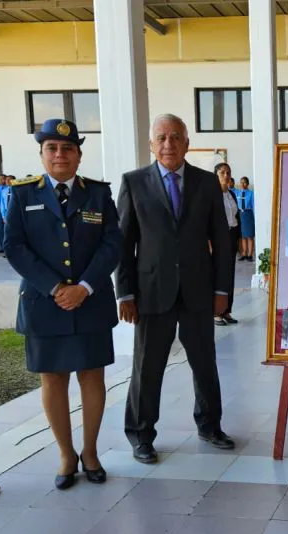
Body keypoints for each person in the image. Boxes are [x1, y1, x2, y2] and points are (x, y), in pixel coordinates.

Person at [5, 119, 121, 490]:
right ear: (41, 153)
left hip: (90, 301)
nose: (60, 154)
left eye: (68, 148)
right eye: (52, 148)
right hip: (44, 302)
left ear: (79, 155)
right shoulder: (23, 194)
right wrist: (56, 287)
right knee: (53, 379)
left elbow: (112, 245)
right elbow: (14, 247)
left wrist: (84, 287)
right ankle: (66, 454)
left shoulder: (98, 194)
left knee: (92, 376)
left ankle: (90, 452)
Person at [115, 113, 236, 463]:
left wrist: (222, 291)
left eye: (175, 137)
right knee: (147, 367)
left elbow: (222, 241)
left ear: (186, 143)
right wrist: (125, 294)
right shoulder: (134, 182)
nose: (168, 144)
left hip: (199, 290)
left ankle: (210, 425)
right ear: (152, 144)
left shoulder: (206, 183)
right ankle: (141, 435)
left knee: (204, 362)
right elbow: (123, 244)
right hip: (151, 291)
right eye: (161, 138)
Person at [214, 162, 240, 326]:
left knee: (230, 275)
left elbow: (236, 218)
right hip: (218, 238)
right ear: (216, 175)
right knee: (218, 275)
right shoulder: (212, 195)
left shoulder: (232, 194)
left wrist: (239, 239)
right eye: (222, 172)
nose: (226, 175)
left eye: (228, 172)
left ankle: (227, 310)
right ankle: (216, 312)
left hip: (232, 235)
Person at [236, 176, 255, 261]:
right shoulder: (238, 193)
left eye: (244, 182)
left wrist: (254, 217)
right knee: (243, 236)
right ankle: (244, 254)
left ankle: (250, 255)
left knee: (250, 236)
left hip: (248, 214)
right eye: (241, 182)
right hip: (240, 215)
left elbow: (253, 205)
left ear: (247, 184)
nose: (242, 184)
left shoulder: (251, 193)